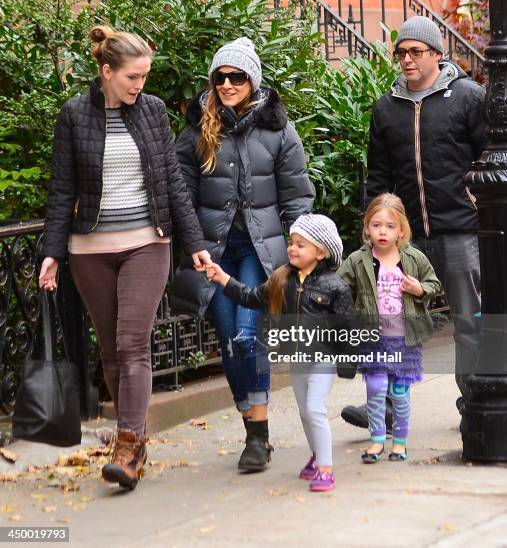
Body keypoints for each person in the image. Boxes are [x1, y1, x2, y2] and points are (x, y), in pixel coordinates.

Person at [39, 25, 210, 490]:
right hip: (90, 250)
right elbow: (62, 190)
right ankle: (134, 441)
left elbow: (173, 181)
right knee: (112, 349)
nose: (141, 86)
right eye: (133, 77)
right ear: (107, 71)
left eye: (145, 77)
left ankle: (128, 444)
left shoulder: (152, 112)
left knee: (133, 341)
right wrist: (53, 252)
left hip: (145, 242)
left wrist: (194, 242)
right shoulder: (74, 115)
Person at [174, 37, 315, 471]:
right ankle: (251, 424)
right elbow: (181, 192)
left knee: (246, 335)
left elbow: (297, 193)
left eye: (237, 77)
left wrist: (304, 246)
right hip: (213, 251)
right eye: (221, 77)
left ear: (252, 80)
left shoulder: (277, 129)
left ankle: (259, 436)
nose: (228, 84)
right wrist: (193, 243)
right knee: (228, 341)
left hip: (259, 248)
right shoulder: (198, 129)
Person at [341, 16, 486, 431]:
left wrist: (476, 200)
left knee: (467, 322)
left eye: (415, 52)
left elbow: (490, 156)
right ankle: (383, 405)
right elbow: (381, 175)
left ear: (437, 55)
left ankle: (474, 406)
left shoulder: (468, 98)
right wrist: (374, 228)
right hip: (407, 238)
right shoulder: (387, 108)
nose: (406, 59)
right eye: (401, 52)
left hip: (460, 230)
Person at [206, 213, 354, 490]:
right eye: (292, 242)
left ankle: (326, 468)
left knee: (315, 409)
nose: (292, 248)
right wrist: (224, 279)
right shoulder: (282, 279)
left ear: (321, 252)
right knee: (304, 412)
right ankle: (315, 458)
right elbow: (251, 297)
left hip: (323, 357)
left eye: (301, 244)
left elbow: (347, 326)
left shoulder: (336, 286)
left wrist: (348, 359)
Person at [339, 194, 440, 461]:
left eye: (390, 226)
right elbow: (339, 288)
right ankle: (376, 440)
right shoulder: (358, 260)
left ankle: (400, 442)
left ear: (401, 230)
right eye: (376, 225)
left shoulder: (413, 258)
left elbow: (434, 284)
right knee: (375, 387)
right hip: (373, 339)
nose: (382, 231)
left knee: (399, 391)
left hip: (404, 339)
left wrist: (419, 289)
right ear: (366, 228)